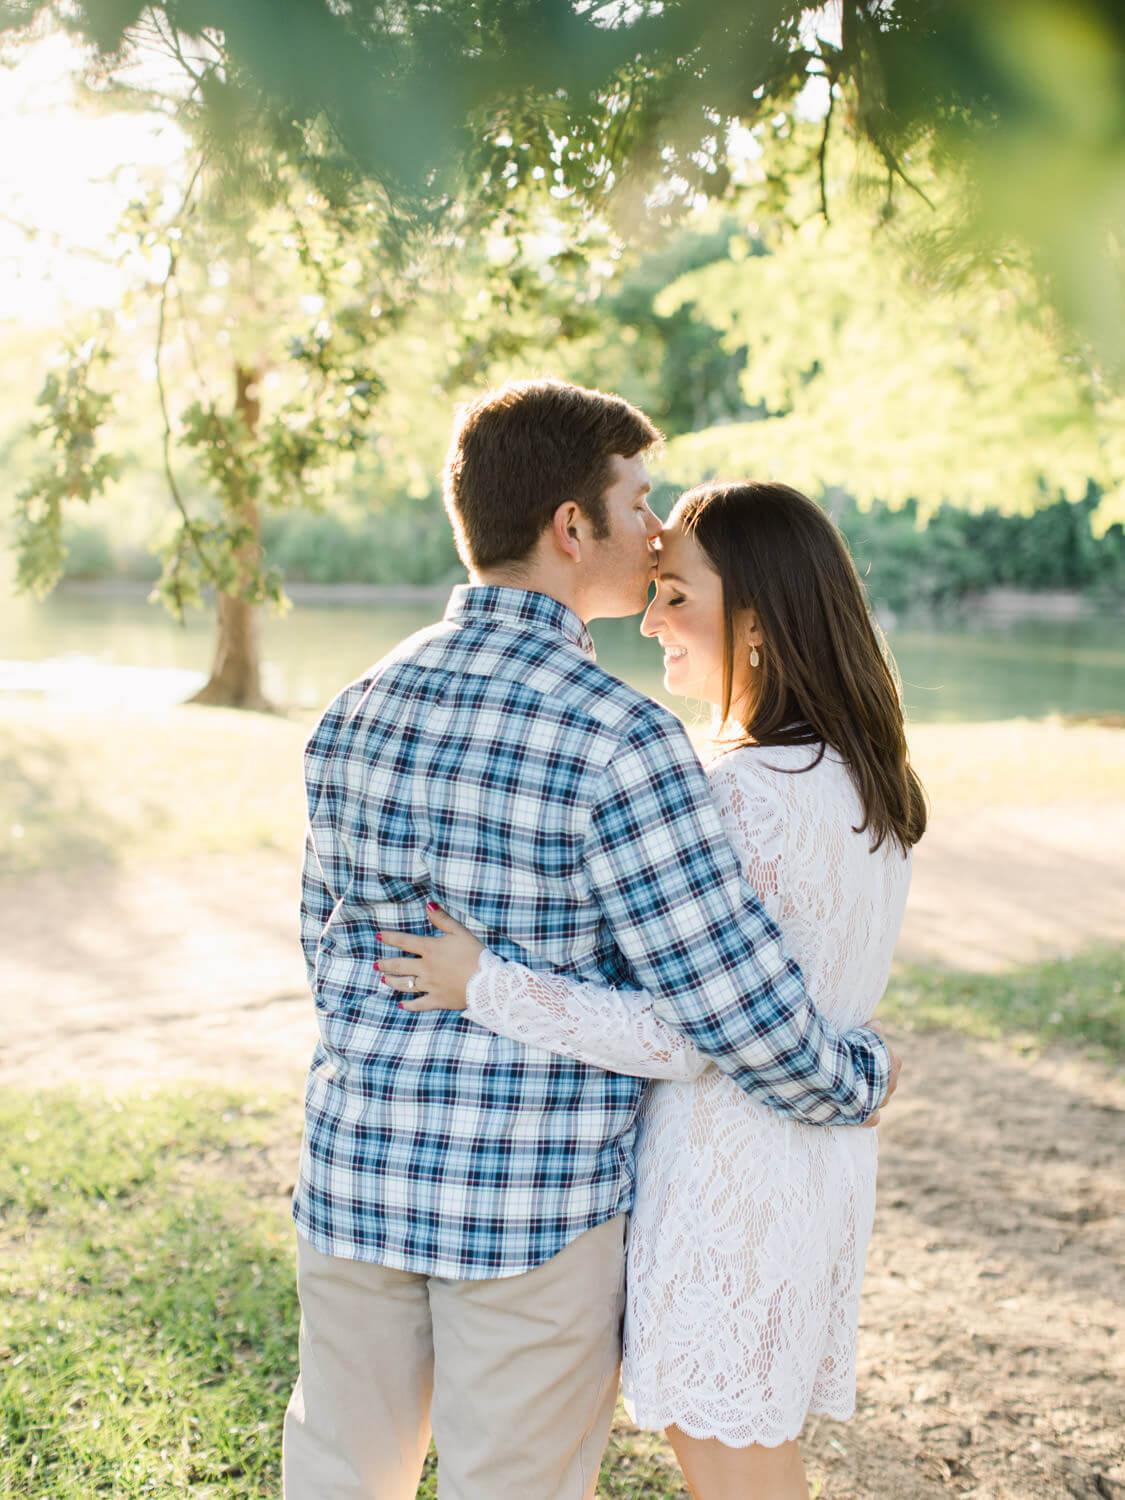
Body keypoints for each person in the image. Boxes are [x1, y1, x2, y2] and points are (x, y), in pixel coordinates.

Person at [283, 383, 898, 1500]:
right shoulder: (621, 739)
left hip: (354, 1174)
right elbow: (736, 1008)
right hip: (534, 1203)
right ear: (575, 526)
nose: (657, 528)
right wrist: (857, 1075)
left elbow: (328, 954)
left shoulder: (354, 705)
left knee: (336, 1476)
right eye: (640, 499)